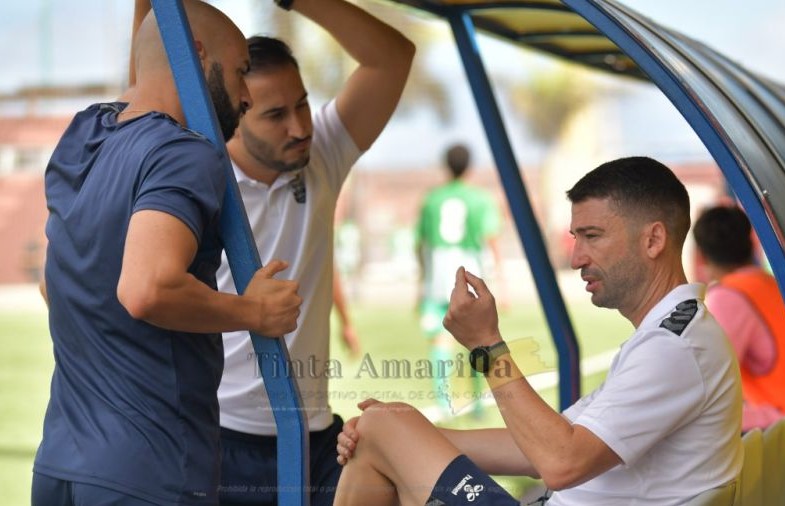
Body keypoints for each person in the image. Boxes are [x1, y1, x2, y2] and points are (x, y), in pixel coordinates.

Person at [333, 156, 742, 506]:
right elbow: (535, 448)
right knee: (382, 429)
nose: (577, 257)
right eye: (576, 238)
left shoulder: (674, 347)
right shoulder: (670, 336)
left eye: (592, 236)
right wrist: (413, 435)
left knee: (381, 426)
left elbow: (559, 462)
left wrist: (487, 346)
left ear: (653, 239)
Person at [32, 2, 303, 505]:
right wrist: (255, 312)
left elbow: (52, 283)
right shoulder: (185, 153)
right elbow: (147, 288)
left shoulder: (85, 134)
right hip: (151, 469)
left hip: (61, 465)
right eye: (240, 71)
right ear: (196, 55)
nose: (246, 96)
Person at [211, 1, 415, 505]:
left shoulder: (320, 153)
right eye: (275, 115)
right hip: (221, 438)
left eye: (302, 104)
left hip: (313, 437)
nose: (300, 127)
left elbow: (392, 58)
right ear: (234, 113)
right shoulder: (194, 180)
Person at [415, 143, 505, 418]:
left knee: (439, 338)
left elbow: (420, 243)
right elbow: (491, 238)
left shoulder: (432, 199)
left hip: (438, 273)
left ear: (446, 165)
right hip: (469, 271)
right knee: (477, 337)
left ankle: (444, 405)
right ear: (469, 166)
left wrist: (421, 283)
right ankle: (477, 403)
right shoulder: (479, 198)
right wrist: (502, 282)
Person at [693, 204, 785, 431]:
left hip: (777, 420)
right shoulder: (771, 283)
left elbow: (710, 379)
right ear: (751, 243)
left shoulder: (727, 296)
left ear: (702, 257)